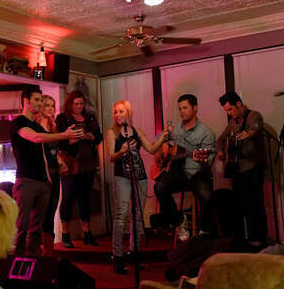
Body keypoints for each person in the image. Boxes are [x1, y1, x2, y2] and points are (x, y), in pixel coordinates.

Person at [10, 88, 82, 256]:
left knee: (36, 229)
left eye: (41, 100)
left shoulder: (36, 125)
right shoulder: (18, 122)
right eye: (37, 99)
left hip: (43, 182)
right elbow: (36, 138)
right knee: (21, 227)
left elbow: (47, 148)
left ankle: (32, 264)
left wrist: (49, 179)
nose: (40, 103)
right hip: (26, 181)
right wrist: (64, 135)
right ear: (26, 101)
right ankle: (16, 265)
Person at [105, 100, 168, 274]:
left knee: (138, 216)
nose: (118, 115)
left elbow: (152, 148)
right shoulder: (112, 133)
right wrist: (122, 150)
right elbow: (111, 157)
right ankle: (118, 257)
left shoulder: (137, 131)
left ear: (128, 113)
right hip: (122, 177)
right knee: (121, 214)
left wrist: (163, 136)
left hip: (139, 176)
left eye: (121, 111)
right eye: (115, 112)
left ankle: (135, 254)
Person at [154, 94, 216, 239]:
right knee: (159, 187)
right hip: (179, 173)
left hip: (198, 173)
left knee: (207, 195)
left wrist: (201, 159)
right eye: (180, 108)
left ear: (195, 108)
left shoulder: (206, 133)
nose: (182, 111)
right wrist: (161, 154)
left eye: (185, 108)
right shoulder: (175, 129)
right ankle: (179, 220)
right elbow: (158, 142)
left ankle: (204, 231)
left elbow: (208, 161)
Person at [216, 91, 267, 245]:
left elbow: (256, 127)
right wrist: (220, 150)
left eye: (230, 109)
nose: (230, 113)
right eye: (227, 111)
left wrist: (249, 133)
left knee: (255, 204)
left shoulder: (253, 115)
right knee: (240, 204)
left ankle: (258, 239)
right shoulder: (233, 122)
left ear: (238, 104)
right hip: (238, 169)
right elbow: (221, 138)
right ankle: (242, 238)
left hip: (253, 168)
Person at [56, 90, 103, 247]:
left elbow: (99, 136)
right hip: (70, 163)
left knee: (85, 198)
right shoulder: (63, 118)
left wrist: (90, 137)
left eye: (81, 103)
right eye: (76, 104)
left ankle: (87, 233)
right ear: (70, 104)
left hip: (87, 163)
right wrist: (70, 140)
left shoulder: (89, 117)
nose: (79, 106)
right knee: (68, 198)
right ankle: (65, 234)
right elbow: (57, 141)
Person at [35, 94, 60, 256]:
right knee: (41, 214)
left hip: (56, 175)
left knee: (51, 212)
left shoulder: (53, 128)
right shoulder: (36, 129)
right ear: (41, 107)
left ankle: (49, 252)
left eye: (53, 106)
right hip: (42, 176)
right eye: (47, 105)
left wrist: (61, 160)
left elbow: (53, 152)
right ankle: (39, 250)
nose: (51, 109)